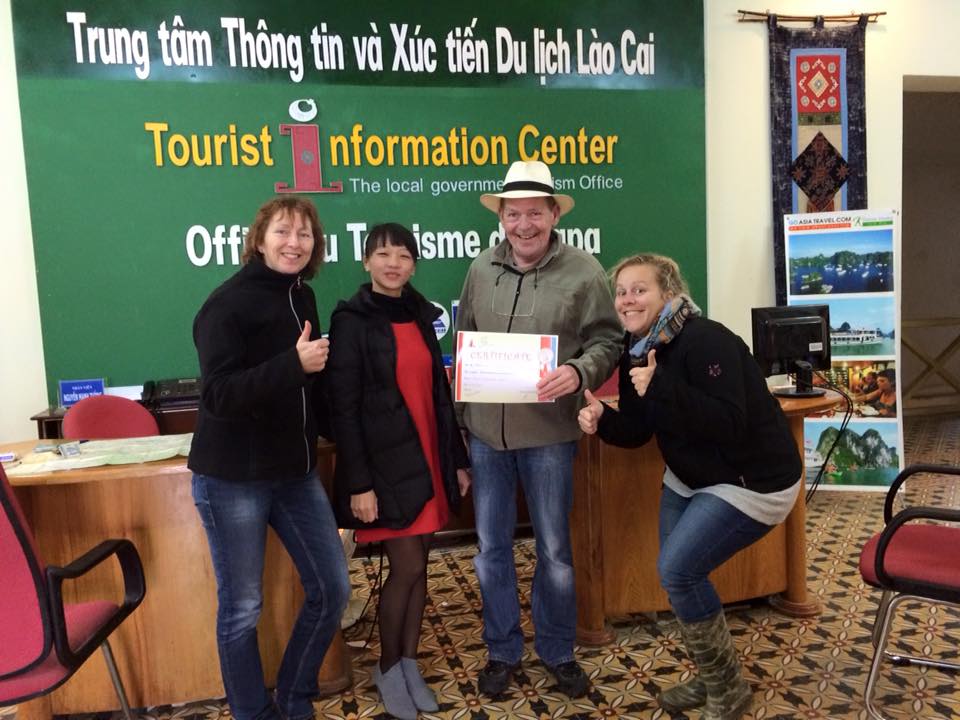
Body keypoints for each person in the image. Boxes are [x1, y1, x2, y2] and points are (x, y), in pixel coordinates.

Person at [577, 254, 802, 720]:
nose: (627, 300)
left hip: (752, 481)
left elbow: (730, 423)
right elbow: (638, 430)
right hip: (690, 476)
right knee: (679, 577)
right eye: (622, 292)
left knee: (678, 570)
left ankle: (728, 689)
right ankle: (713, 674)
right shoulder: (635, 348)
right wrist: (603, 419)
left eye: (640, 289)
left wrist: (660, 385)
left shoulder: (706, 340)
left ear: (669, 293)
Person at [456, 160, 622, 698]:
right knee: (491, 550)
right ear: (501, 217)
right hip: (487, 437)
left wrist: (578, 371)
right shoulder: (481, 269)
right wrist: (461, 427)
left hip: (550, 435)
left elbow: (608, 340)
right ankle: (502, 650)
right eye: (513, 214)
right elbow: (465, 342)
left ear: (554, 214)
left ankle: (557, 650)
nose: (523, 224)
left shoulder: (584, 271)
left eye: (534, 213)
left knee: (553, 550)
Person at [188, 196, 350, 720]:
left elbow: (307, 386)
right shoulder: (225, 305)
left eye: (304, 234)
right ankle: (252, 712)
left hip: (294, 474)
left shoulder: (303, 297)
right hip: (232, 479)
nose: (293, 243)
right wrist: (293, 364)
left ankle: (294, 697)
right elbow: (219, 396)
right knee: (242, 609)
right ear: (259, 239)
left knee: (332, 588)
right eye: (283, 231)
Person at [327, 223, 471, 720]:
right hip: (385, 466)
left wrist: (456, 460)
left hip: (427, 457)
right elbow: (343, 409)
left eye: (404, 255)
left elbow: (438, 393)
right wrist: (359, 484)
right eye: (383, 254)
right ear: (366, 261)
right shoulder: (351, 320)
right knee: (406, 567)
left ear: (414, 264)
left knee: (420, 566)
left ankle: (409, 664)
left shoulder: (420, 312)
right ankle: (388, 667)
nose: (394, 263)